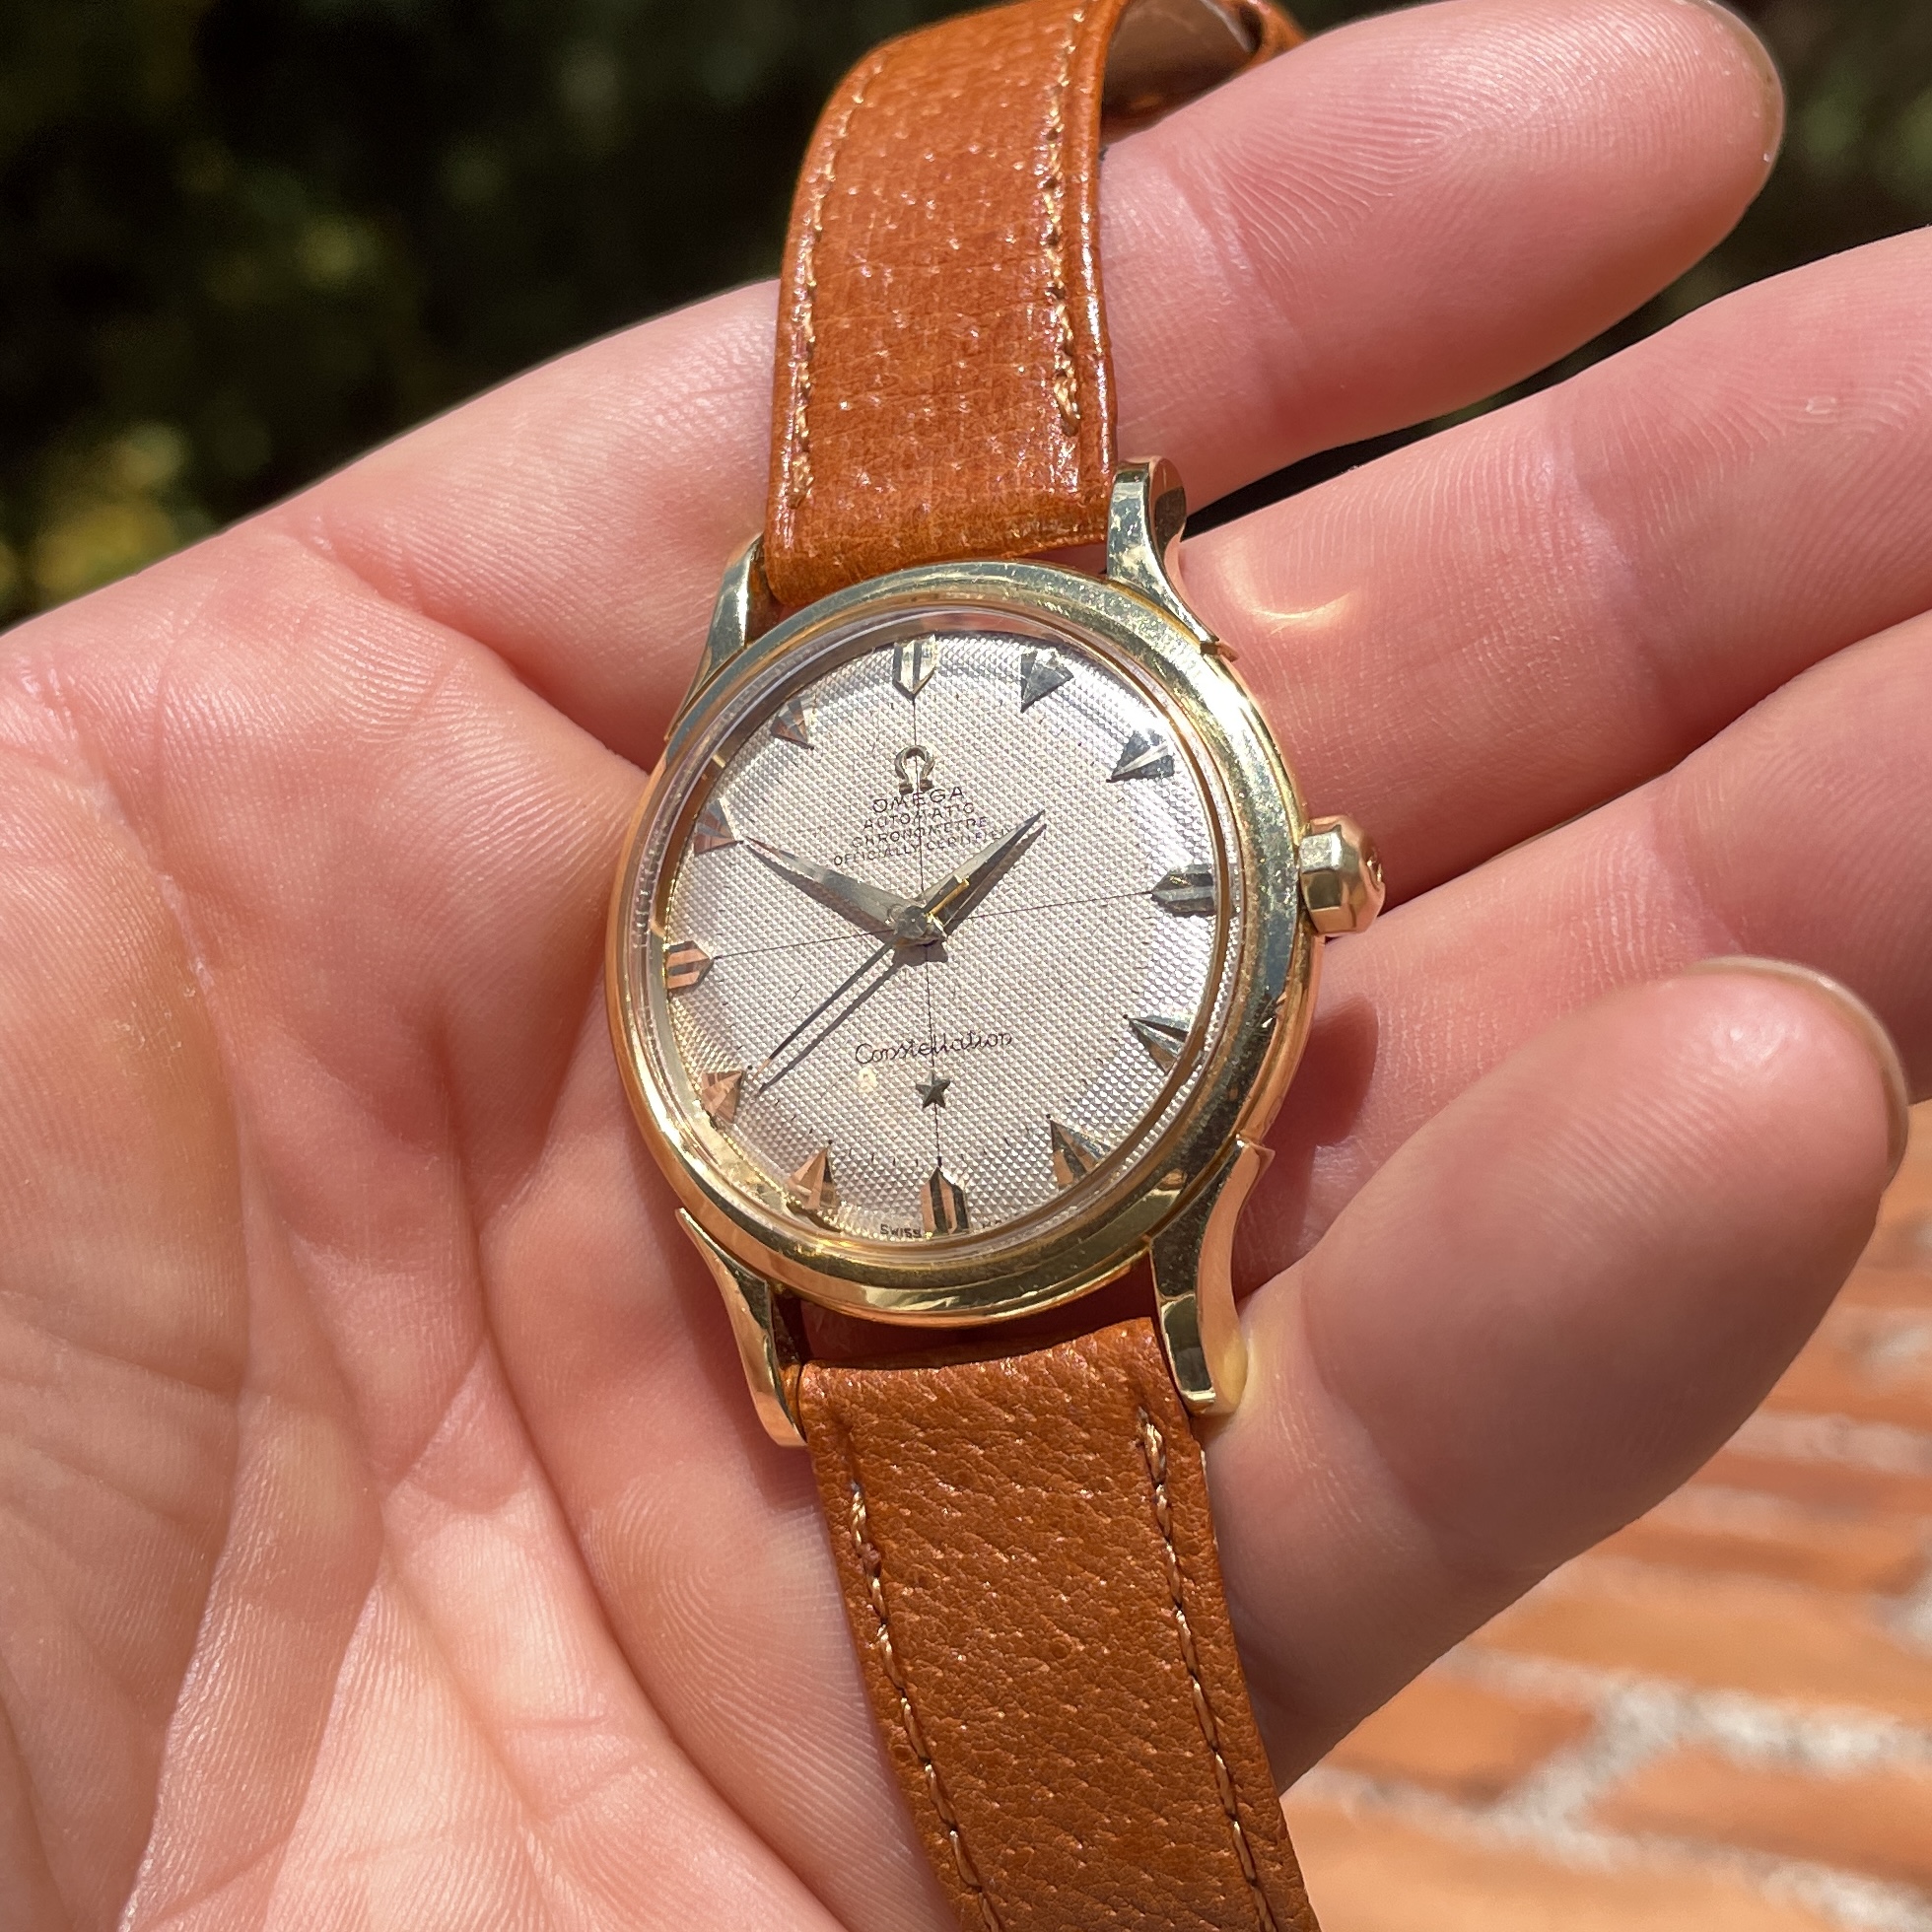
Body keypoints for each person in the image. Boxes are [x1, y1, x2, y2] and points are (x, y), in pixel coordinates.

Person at [0, 0, 1919, 1924]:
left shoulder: (967, 651)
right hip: (818, 1252)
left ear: (1299, 881)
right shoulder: (762, 730)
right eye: (896, 918)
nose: (919, 929)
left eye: (942, 909)